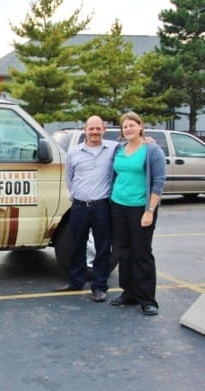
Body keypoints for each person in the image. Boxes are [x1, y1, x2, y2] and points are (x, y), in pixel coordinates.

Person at [109, 112, 166, 316]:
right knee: (123, 251)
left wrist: (149, 210)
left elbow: (158, 182)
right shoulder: (118, 148)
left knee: (142, 253)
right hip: (118, 205)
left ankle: (147, 299)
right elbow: (114, 174)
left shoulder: (152, 150)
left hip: (141, 208)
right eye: (125, 127)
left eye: (132, 125)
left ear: (141, 126)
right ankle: (129, 293)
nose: (128, 129)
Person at [54, 116, 116, 303]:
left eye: (98, 128)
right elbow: (69, 178)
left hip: (102, 207)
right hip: (79, 206)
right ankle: (75, 281)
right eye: (91, 129)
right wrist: (76, 195)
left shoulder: (113, 149)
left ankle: (99, 287)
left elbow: (134, 146)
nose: (95, 132)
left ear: (104, 129)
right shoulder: (74, 152)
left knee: (102, 248)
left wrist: (147, 141)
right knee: (77, 245)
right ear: (85, 130)